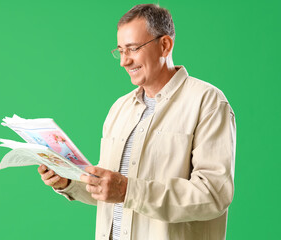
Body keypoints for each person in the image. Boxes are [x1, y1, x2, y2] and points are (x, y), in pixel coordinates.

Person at [38, 4, 236, 240]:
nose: (124, 61)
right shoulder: (119, 109)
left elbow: (213, 195)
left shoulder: (208, 102)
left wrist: (127, 189)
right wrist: (67, 181)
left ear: (165, 45)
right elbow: (108, 189)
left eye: (133, 49)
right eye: (120, 50)